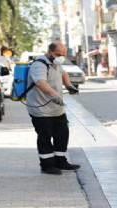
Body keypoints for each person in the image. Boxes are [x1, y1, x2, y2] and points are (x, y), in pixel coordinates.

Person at [26, 42, 81, 175]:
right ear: (49, 52)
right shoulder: (39, 65)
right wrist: (54, 95)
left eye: (63, 55)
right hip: (41, 109)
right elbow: (40, 82)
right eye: (58, 54)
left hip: (57, 109)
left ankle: (60, 161)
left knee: (62, 135)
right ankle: (47, 165)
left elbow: (64, 73)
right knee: (45, 137)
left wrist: (68, 85)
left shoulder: (56, 63)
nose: (60, 57)